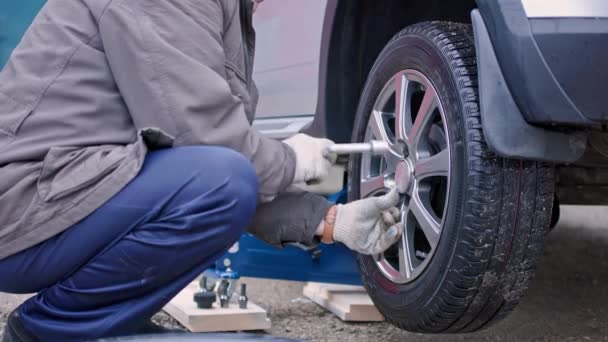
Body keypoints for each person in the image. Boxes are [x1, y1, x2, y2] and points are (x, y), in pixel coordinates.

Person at [0, 0, 403, 340]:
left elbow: (191, 169)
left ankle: (104, 317)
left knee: (223, 179)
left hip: (56, 196)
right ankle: (50, 329)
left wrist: (329, 221)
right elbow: (209, 149)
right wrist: (291, 161)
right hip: (23, 205)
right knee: (224, 180)